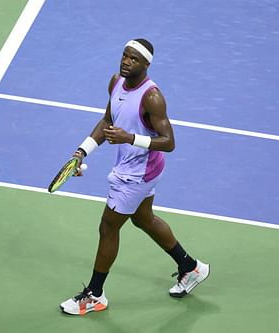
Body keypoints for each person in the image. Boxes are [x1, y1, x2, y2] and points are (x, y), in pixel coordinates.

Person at [60, 39, 210, 316]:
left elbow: (169, 142)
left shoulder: (152, 97)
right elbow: (107, 122)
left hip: (138, 173)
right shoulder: (115, 82)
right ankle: (191, 267)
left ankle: (95, 295)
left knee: (108, 227)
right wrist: (82, 151)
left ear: (146, 64)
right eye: (124, 56)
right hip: (139, 168)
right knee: (143, 219)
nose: (126, 62)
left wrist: (129, 138)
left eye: (134, 59)